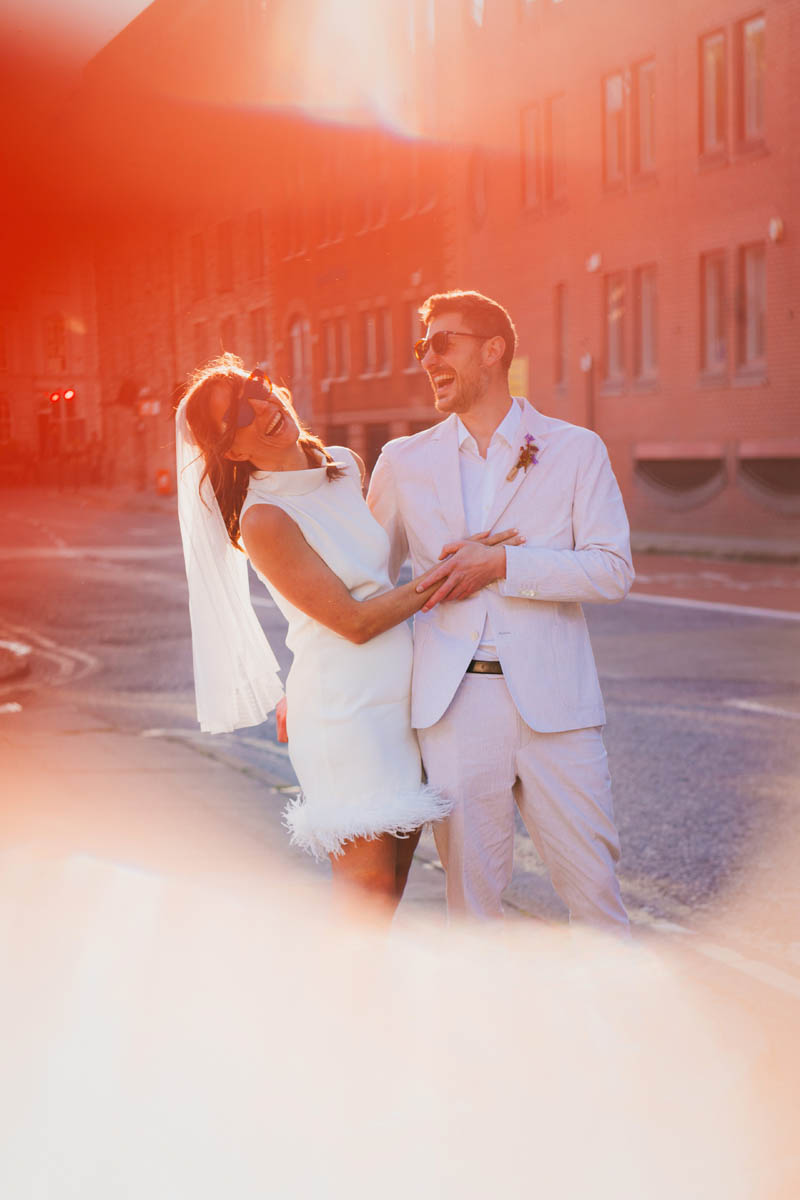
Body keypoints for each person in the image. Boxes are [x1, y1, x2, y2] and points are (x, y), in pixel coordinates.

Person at [175, 354, 521, 918]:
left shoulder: (343, 464)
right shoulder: (264, 520)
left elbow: (374, 565)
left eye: (254, 387)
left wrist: (463, 547)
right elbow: (353, 621)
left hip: (404, 703)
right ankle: (338, 1007)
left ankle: (362, 1005)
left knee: (399, 879)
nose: (263, 406)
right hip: (345, 714)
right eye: (238, 413)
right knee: (367, 899)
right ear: (232, 451)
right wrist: (455, 573)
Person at [368, 290, 633, 932]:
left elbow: (612, 569)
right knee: (473, 912)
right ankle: (488, 1033)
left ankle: (624, 1029)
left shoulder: (575, 449)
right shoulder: (402, 462)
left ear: (494, 351)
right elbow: (364, 586)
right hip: (454, 711)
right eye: (421, 347)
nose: (427, 358)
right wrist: (309, 680)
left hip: (558, 709)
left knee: (596, 897)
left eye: (442, 343)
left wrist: (506, 566)